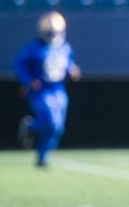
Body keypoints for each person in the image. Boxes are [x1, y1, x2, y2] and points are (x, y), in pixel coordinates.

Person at [14, 11, 81, 168]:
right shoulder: (34, 48)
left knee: (57, 127)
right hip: (41, 90)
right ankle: (30, 127)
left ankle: (42, 155)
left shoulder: (65, 47)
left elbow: (67, 64)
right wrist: (28, 81)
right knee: (50, 121)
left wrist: (72, 70)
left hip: (58, 88)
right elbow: (20, 64)